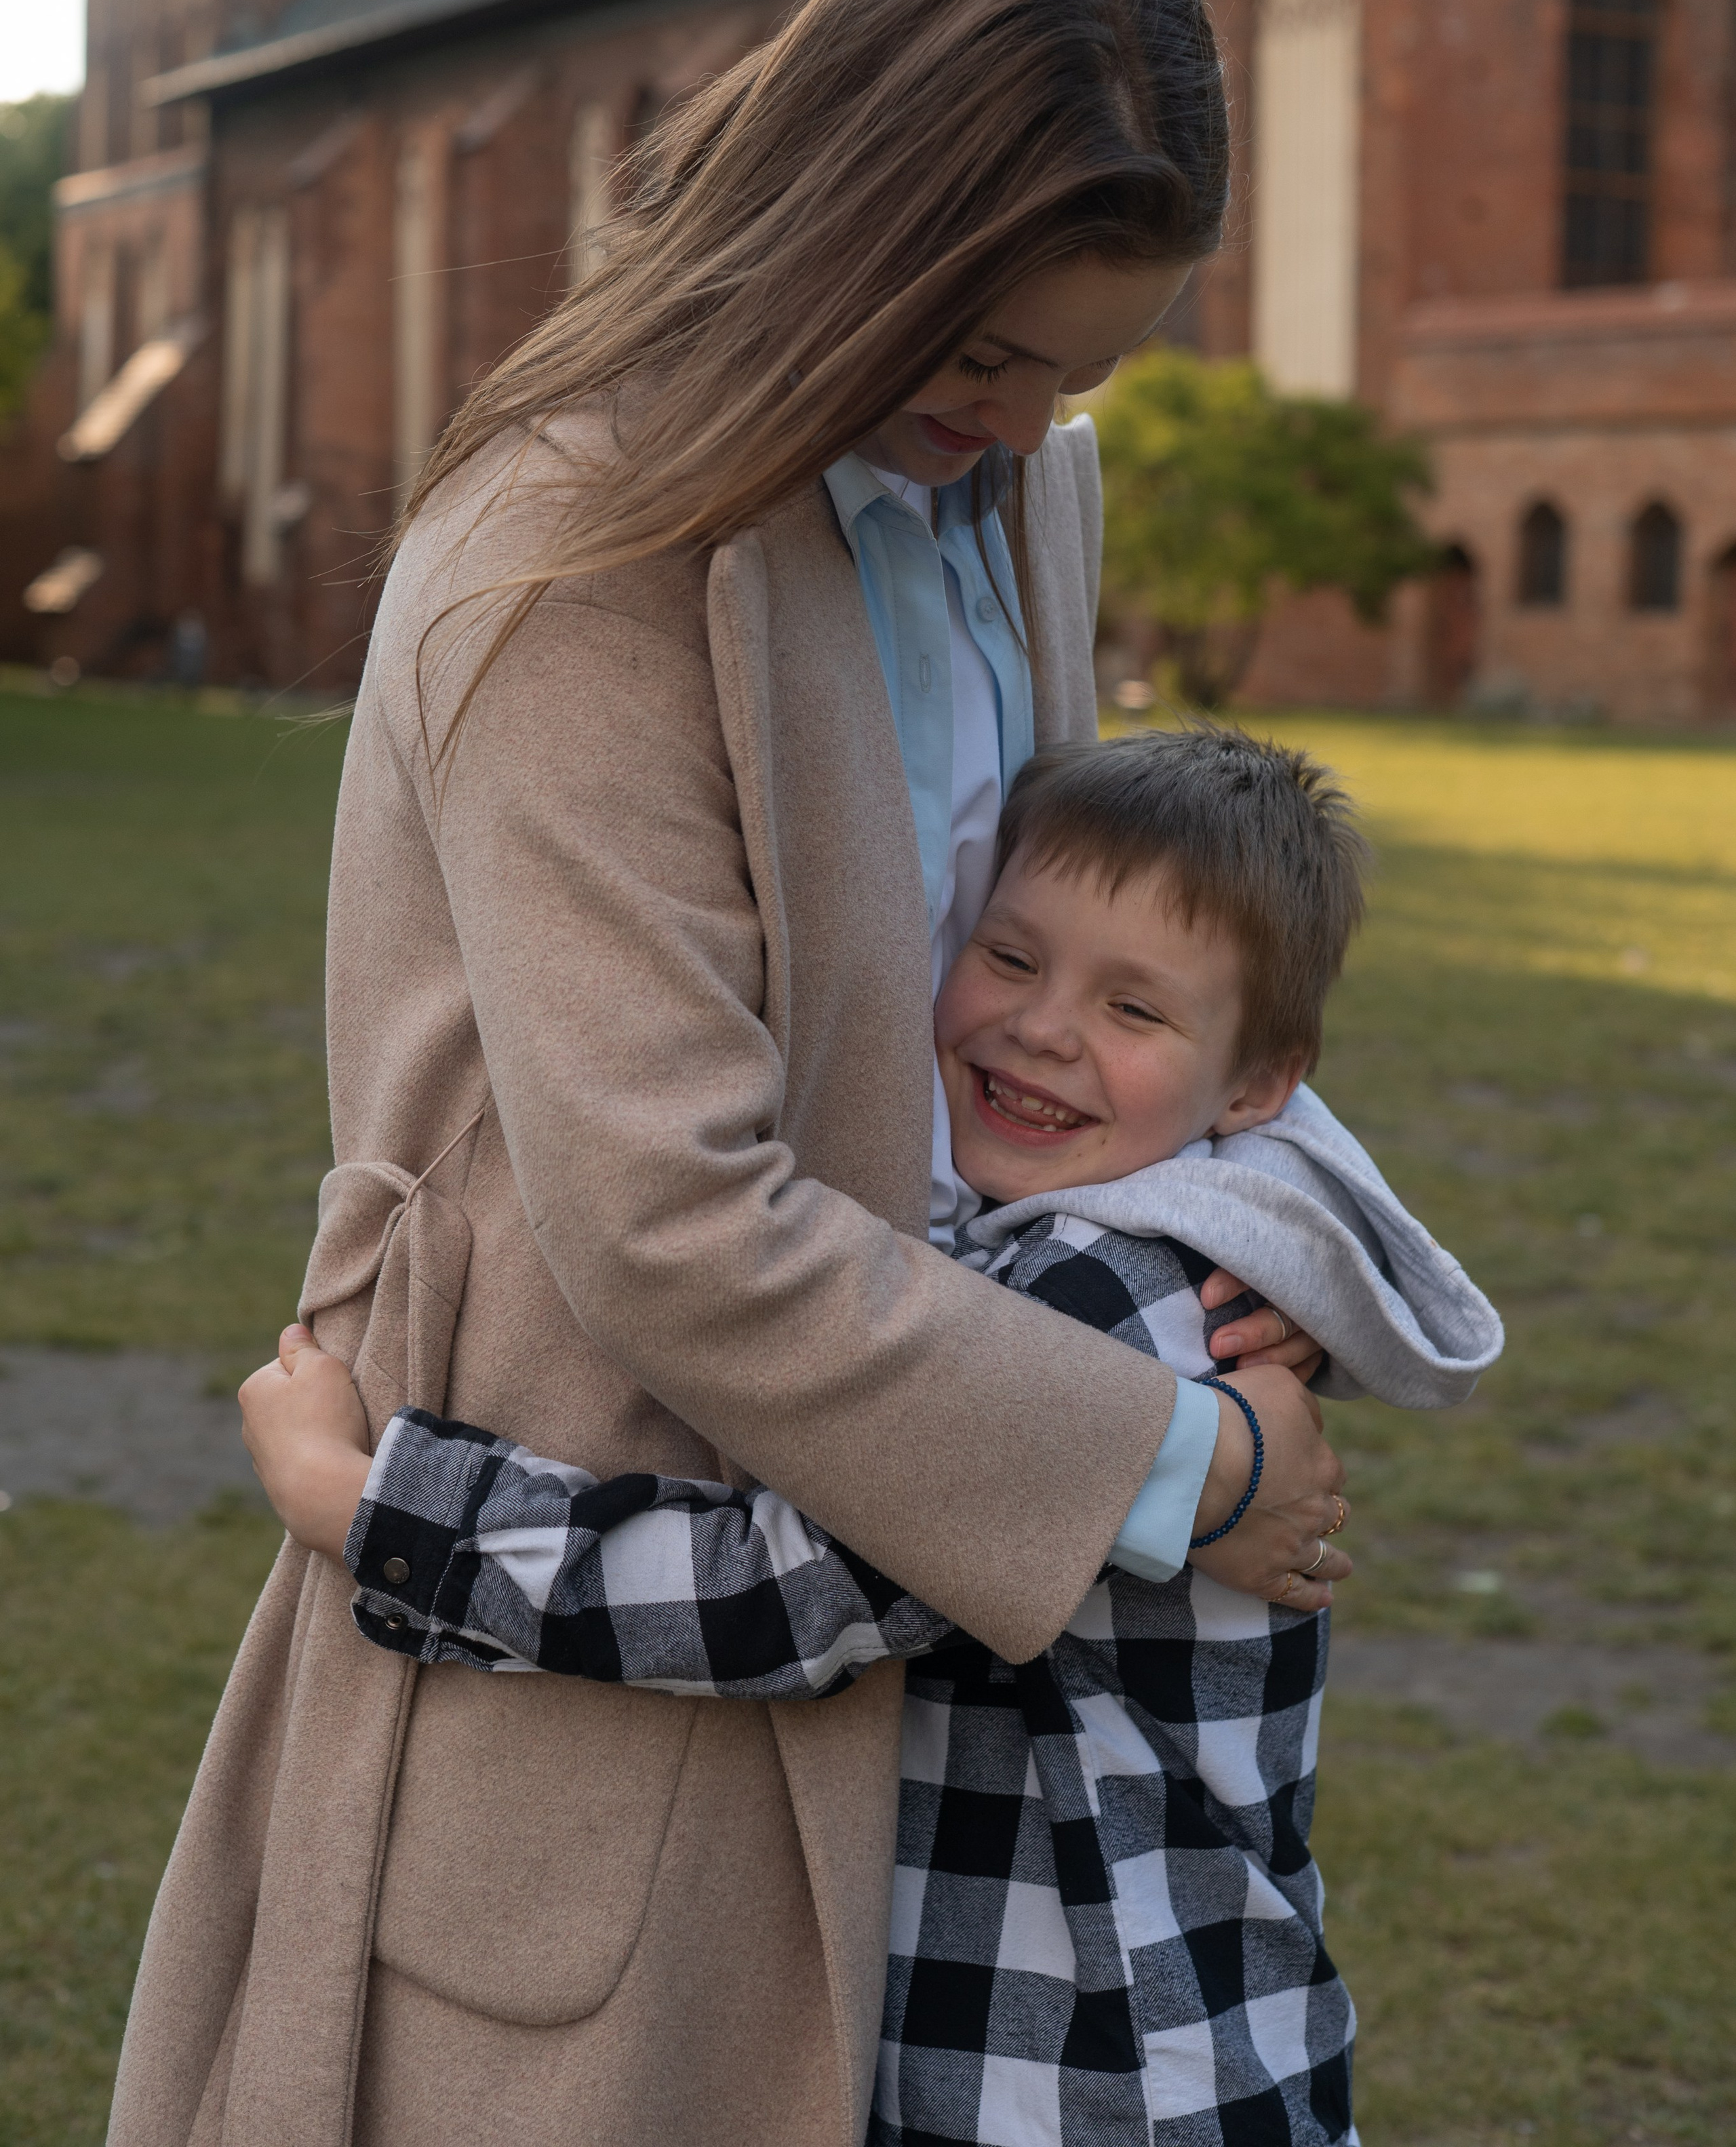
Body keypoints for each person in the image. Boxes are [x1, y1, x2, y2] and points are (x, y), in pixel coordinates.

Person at [109, 0, 1351, 2147]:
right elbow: (672, 1217)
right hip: (595, 1578)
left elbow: (1053, 994)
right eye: (982, 350)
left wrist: (1241, 1284)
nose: (1018, 419)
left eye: (1079, 372)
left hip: (913, 1608)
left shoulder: (1013, 494)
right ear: (847, 229)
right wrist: (1180, 1465)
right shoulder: (570, 546)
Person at [243, 729, 1503, 2147]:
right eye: (1012, 957)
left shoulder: (1103, 1304)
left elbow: (782, 1590)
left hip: (1097, 2072)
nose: (1041, 1028)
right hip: (1148, 2046)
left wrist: (382, 1509)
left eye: (1133, 1008)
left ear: (1257, 1084)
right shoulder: (1137, 1249)